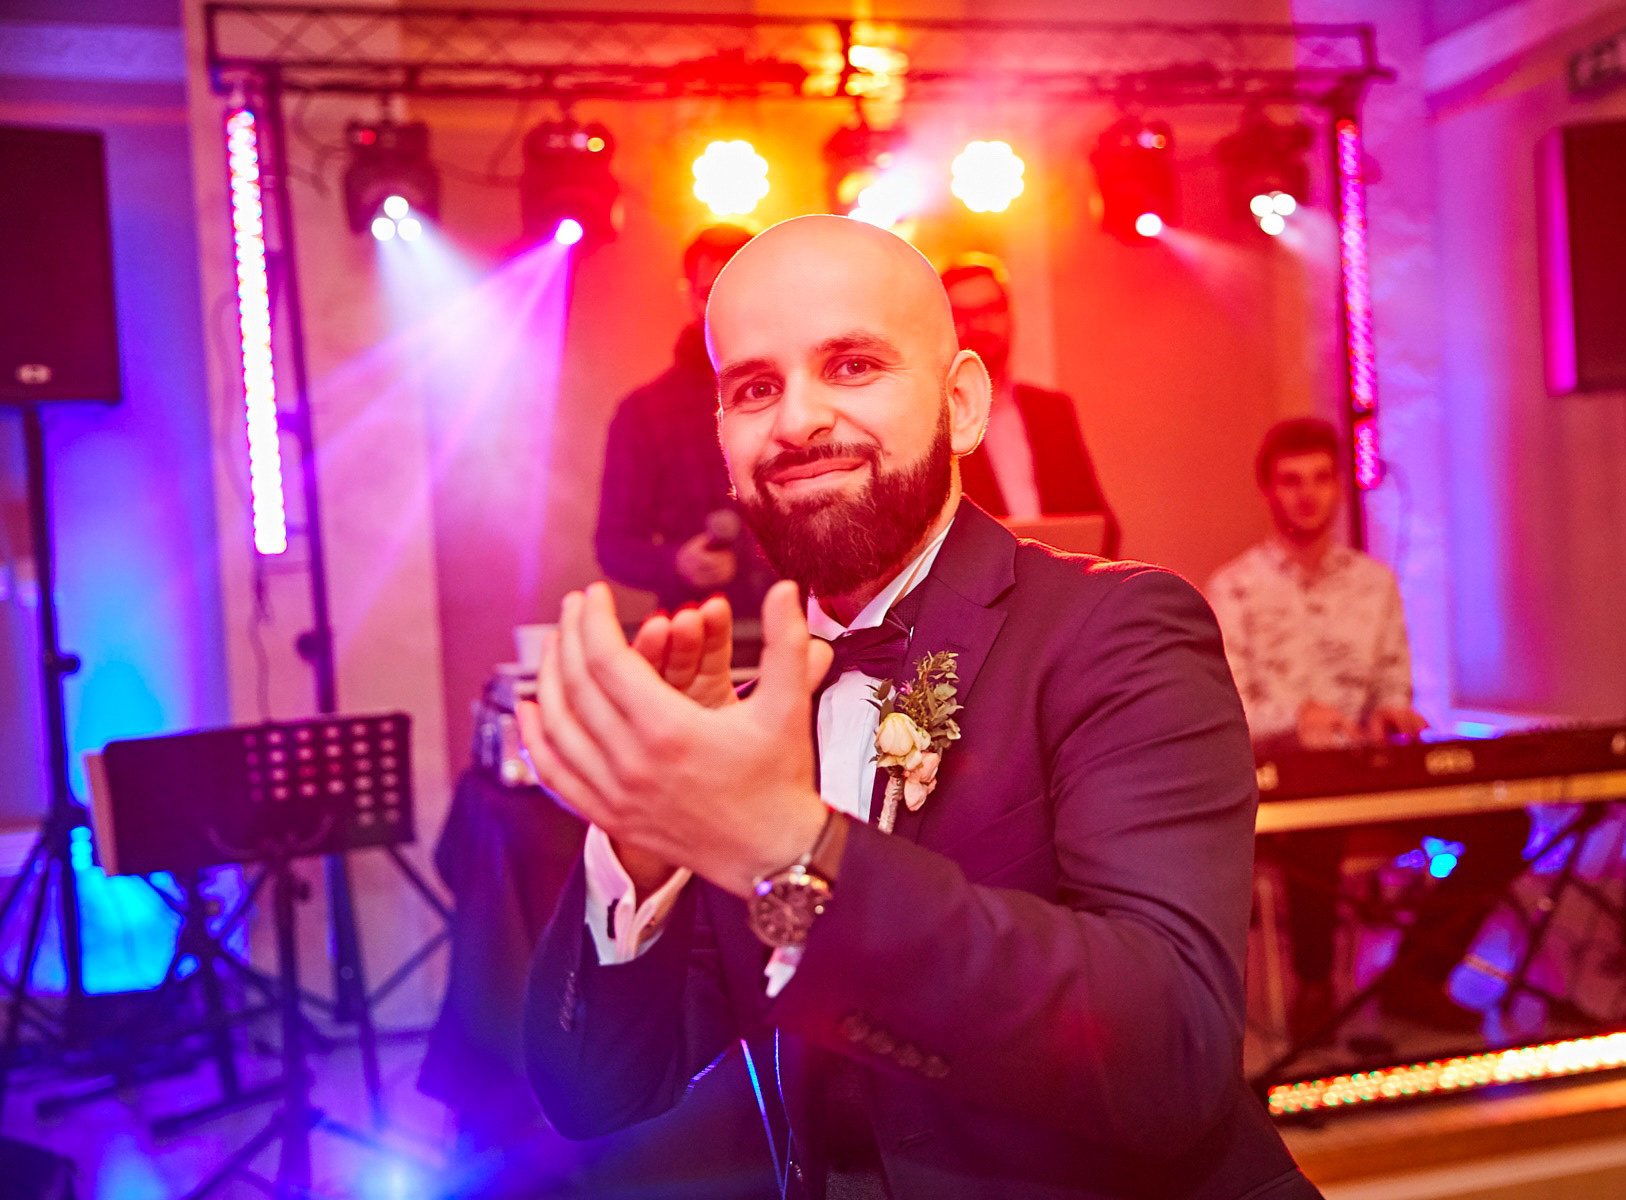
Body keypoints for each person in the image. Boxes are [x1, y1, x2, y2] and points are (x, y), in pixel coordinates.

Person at [517, 216, 1319, 1200]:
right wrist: (643, 839)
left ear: (962, 405)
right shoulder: (752, 720)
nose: (797, 420)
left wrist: (793, 847)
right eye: (754, 388)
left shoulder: (1118, 630)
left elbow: (1173, 1056)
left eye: (852, 366)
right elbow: (592, 1092)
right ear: (722, 439)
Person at [1206, 418, 1531, 1036]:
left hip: (1367, 769)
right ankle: (1315, 986)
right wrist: (1295, 721)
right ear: (1268, 491)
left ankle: (1417, 975)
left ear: (1338, 486)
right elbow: (1225, 710)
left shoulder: (1374, 583)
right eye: (1291, 481)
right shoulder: (1234, 589)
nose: (1308, 494)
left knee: (1505, 824)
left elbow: (1392, 682)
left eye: (1321, 479)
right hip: (1283, 784)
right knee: (1317, 824)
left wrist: (1391, 711)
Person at [595, 223, 773, 614]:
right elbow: (613, 544)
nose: (727, 307)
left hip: (809, 624)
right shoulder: (645, 411)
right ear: (689, 297)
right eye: (711, 293)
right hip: (701, 627)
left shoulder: (801, 394)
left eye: (740, 291)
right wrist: (676, 562)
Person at [938, 254, 1120, 557]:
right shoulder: (938, 421)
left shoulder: (1052, 411)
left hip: (1063, 576)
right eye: (963, 315)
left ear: (1010, 314)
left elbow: (1100, 524)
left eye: (991, 309)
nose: (979, 325)